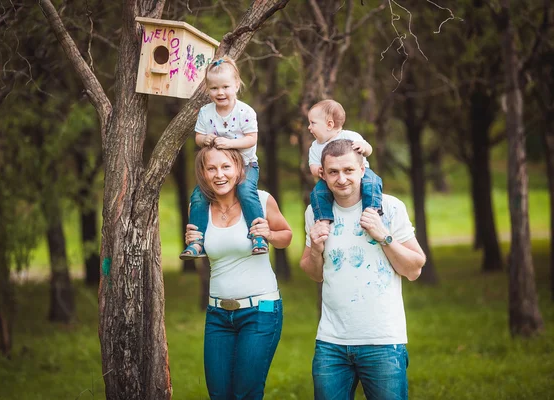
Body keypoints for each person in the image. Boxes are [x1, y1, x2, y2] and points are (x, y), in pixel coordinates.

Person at [299, 139, 426, 400]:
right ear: (322, 174)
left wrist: (384, 236)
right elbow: (314, 274)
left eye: (348, 170)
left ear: (362, 170)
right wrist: (315, 247)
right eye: (333, 172)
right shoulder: (316, 212)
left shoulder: (389, 208)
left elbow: (414, 269)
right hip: (331, 343)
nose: (341, 179)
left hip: (382, 341)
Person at [184, 146, 292, 400]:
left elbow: (286, 237)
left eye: (226, 167)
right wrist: (192, 238)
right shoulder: (198, 208)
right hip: (218, 315)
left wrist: (269, 234)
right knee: (219, 394)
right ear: (203, 172)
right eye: (211, 168)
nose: (219, 174)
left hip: (261, 312)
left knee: (246, 393)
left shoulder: (261, 200)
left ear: (239, 169)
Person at [181, 55, 268, 260]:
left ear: (236, 85)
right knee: (198, 196)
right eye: (214, 88)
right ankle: (197, 242)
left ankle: (258, 236)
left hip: (246, 165)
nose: (220, 93)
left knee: (246, 192)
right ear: (208, 89)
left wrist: (229, 144)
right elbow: (198, 138)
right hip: (217, 167)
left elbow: (251, 139)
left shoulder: (245, 111)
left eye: (225, 87)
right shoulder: (206, 112)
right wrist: (207, 139)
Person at [307, 100, 384, 230]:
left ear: (329, 124)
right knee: (317, 192)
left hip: (361, 173)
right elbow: (313, 166)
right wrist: (318, 170)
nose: (309, 127)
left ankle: (372, 210)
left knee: (373, 182)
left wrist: (363, 147)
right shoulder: (315, 147)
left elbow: (369, 150)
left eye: (312, 123)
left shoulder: (350, 135)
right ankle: (324, 218)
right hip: (329, 178)